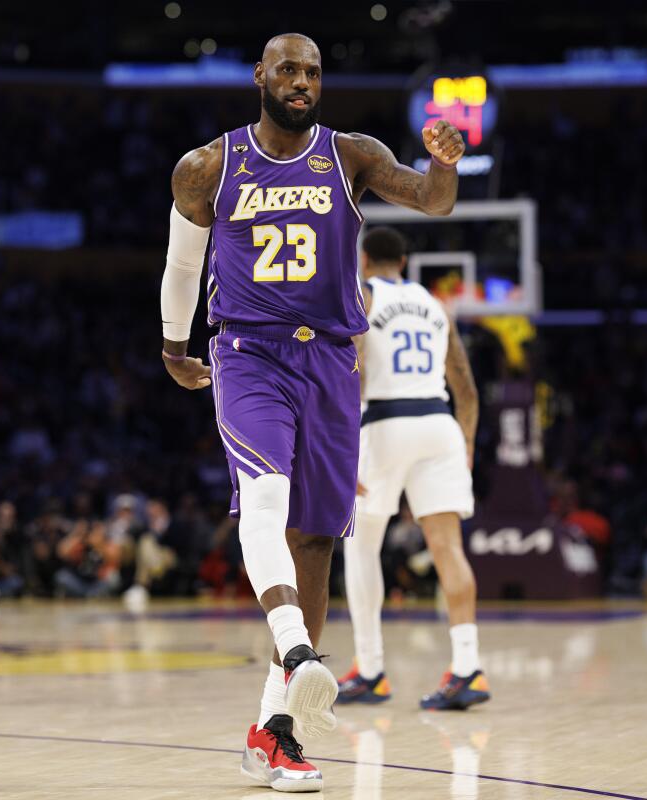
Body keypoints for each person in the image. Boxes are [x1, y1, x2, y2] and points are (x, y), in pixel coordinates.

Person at [160, 33, 463, 792]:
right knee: (263, 496)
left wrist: (445, 164)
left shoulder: (350, 154)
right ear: (260, 76)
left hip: (331, 358)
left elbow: (430, 200)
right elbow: (182, 265)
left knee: (319, 540)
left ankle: (276, 733)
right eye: (288, 70)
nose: (302, 82)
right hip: (248, 353)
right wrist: (173, 346)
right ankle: (299, 652)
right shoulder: (209, 165)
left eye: (314, 72)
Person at [335, 226, 488, 711]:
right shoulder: (436, 304)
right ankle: (468, 668)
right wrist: (465, 442)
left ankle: (372, 670)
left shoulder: (363, 295)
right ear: (404, 263)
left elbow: (352, 369)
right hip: (439, 423)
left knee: (361, 549)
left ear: (364, 261)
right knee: (448, 548)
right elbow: (464, 384)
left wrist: (343, 448)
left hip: (383, 424)